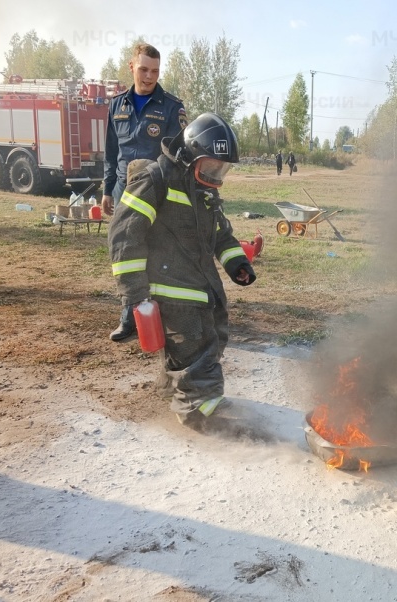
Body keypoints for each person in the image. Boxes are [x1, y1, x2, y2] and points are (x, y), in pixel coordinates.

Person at [108, 113, 256, 425]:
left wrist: (237, 263)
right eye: (211, 166)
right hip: (170, 290)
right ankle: (200, 411)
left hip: (202, 288)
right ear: (189, 157)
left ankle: (175, 391)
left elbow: (221, 234)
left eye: (222, 169)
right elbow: (124, 237)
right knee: (195, 346)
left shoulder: (204, 190)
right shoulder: (155, 181)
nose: (216, 176)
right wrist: (134, 294)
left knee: (213, 337)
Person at [102, 42, 188, 342]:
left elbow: (179, 155)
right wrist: (107, 191)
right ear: (131, 67)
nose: (149, 77)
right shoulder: (116, 106)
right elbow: (111, 154)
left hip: (156, 192)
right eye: (143, 70)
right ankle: (129, 318)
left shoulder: (172, 107)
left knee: (159, 254)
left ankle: (162, 316)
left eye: (154, 71)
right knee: (127, 254)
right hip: (124, 191)